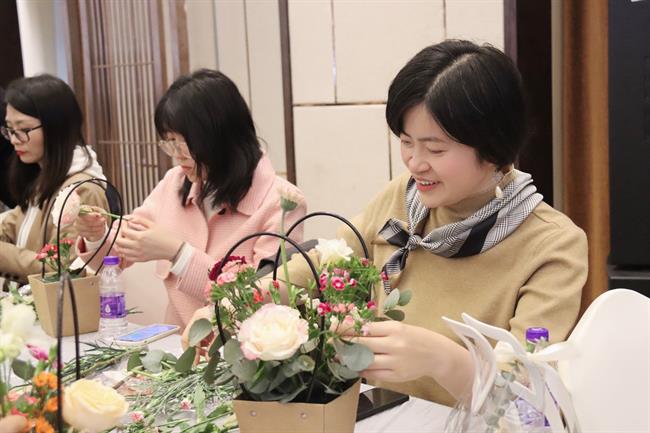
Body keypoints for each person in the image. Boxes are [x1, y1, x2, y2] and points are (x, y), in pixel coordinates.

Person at [184, 40, 588, 406]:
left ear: (495, 147)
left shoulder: (551, 245)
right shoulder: (404, 197)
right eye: (406, 142)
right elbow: (321, 266)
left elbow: (524, 393)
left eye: (435, 148)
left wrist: (444, 360)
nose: (415, 162)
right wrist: (234, 306)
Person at [76, 69, 306, 329]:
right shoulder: (174, 183)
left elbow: (263, 299)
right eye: (169, 142)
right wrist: (96, 236)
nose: (177, 155)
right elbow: (116, 256)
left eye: (183, 143)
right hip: (176, 346)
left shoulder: (281, 202)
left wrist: (179, 254)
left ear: (220, 136)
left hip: (242, 350)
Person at [0, 75, 108, 284]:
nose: (14, 140)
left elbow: (62, 269)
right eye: (9, 130)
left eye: (24, 130)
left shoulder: (82, 189)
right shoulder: (43, 179)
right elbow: (12, 225)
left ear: (56, 127)